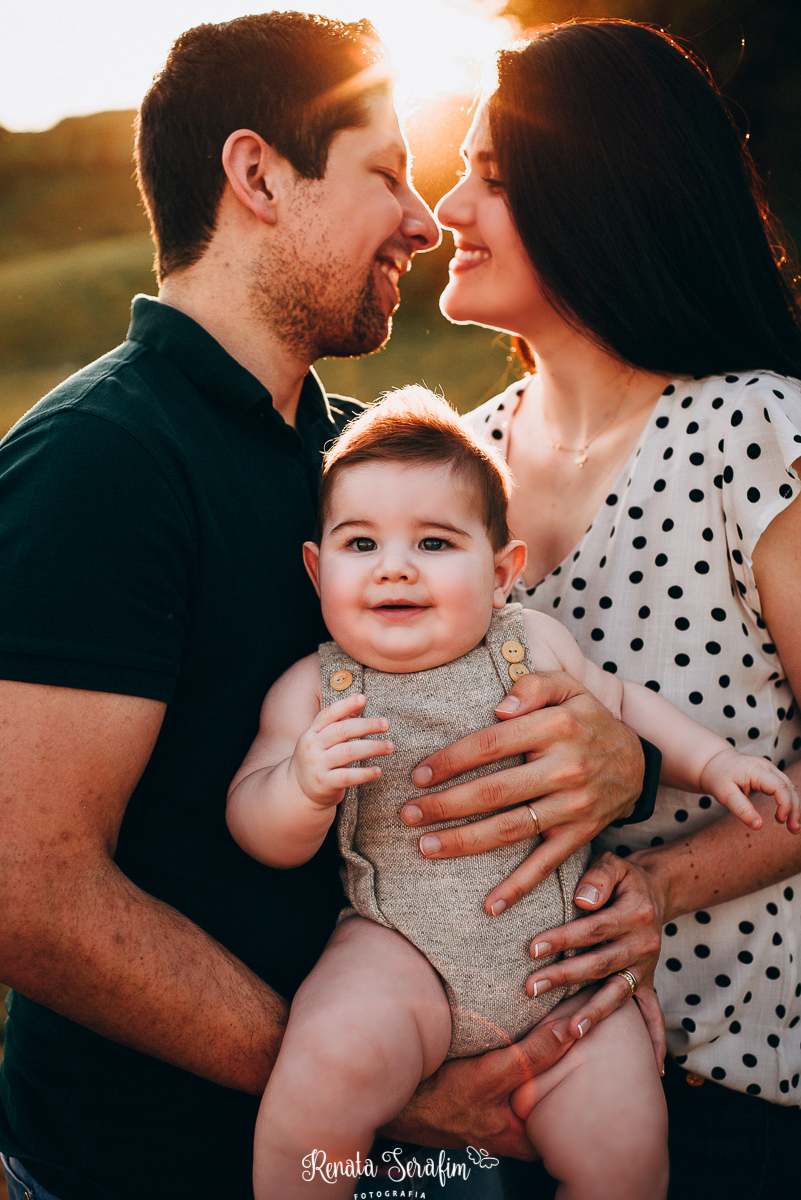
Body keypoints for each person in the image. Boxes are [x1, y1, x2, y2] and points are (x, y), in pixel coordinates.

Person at [0, 14, 655, 1200]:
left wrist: (620, 764)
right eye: (386, 174)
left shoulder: (369, 468)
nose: (422, 220)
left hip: (422, 1146)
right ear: (258, 176)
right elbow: (27, 892)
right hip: (157, 1165)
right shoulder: (100, 461)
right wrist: (360, 1088)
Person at [227, 387, 799, 1200]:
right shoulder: (315, 692)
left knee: (626, 1149)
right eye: (360, 543)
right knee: (324, 1070)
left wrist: (711, 763)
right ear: (318, 570)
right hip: (400, 957)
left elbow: (625, 707)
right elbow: (256, 826)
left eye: (433, 541)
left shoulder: (529, 644)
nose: (394, 565)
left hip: (560, 967)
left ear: (501, 574)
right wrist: (302, 787)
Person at [421, 18, 801, 1200]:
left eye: (492, 177)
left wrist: (662, 887)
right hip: (509, 1100)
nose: (447, 208)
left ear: (602, 197)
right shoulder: (459, 468)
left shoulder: (755, 434)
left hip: (738, 1097)